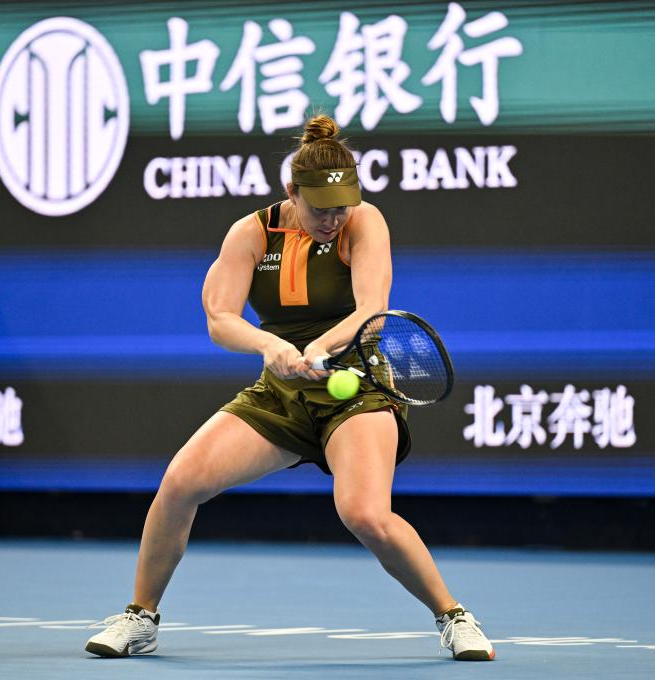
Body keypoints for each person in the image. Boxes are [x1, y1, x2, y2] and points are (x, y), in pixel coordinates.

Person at [86, 115, 494, 661]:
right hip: (281, 391)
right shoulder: (251, 233)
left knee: (364, 514)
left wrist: (321, 346)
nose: (332, 219)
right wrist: (269, 346)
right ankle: (141, 618)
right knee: (180, 482)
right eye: (320, 208)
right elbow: (219, 318)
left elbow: (372, 307)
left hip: (358, 386)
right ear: (291, 192)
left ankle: (454, 617)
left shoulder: (365, 222)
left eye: (341, 207)